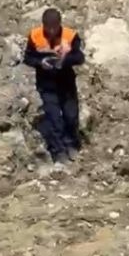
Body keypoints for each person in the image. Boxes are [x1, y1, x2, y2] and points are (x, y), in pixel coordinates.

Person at [23, 9, 86, 163]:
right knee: (53, 118)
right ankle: (58, 151)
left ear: (60, 24)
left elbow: (79, 57)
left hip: (66, 82)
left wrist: (64, 59)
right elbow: (28, 57)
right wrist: (40, 62)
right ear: (43, 25)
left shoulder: (70, 36)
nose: (51, 31)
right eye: (48, 27)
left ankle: (71, 144)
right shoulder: (35, 35)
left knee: (71, 116)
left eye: (54, 27)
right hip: (46, 83)